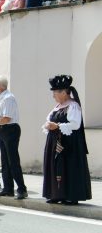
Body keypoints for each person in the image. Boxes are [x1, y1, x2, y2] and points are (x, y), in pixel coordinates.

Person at [42, 75, 91, 205]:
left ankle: (71, 195)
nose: (53, 96)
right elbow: (49, 120)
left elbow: (75, 124)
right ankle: (56, 194)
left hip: (69, 143)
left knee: (69, 168)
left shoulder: (73, 106)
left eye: (55, 93)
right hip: (55, 141)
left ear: (64, 92)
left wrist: (57, 126)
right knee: (56, 167)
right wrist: (48, 125)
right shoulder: (58, 106)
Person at [0, 76, 27, 199]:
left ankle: (22, 189)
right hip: (3, 129)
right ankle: (8, 188)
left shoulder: (8, 98)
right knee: (5, 161)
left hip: (10, 129)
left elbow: (7, 118)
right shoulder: (1, 97)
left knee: (13, 161)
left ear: (1, 86)